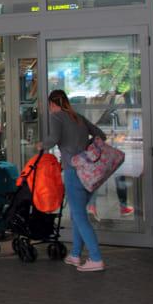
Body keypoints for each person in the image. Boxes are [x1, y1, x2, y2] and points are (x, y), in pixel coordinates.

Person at [37, 89, 107, 272]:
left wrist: (41, 145)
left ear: (52, 104)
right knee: (78, 214)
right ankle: (75, 255)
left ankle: (95, 258)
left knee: (79, 216)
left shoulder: (57, 116)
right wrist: (86, 151)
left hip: (73, 171)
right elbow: (101, 135)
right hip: (88, 171)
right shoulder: (78, 117)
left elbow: (53, 139)